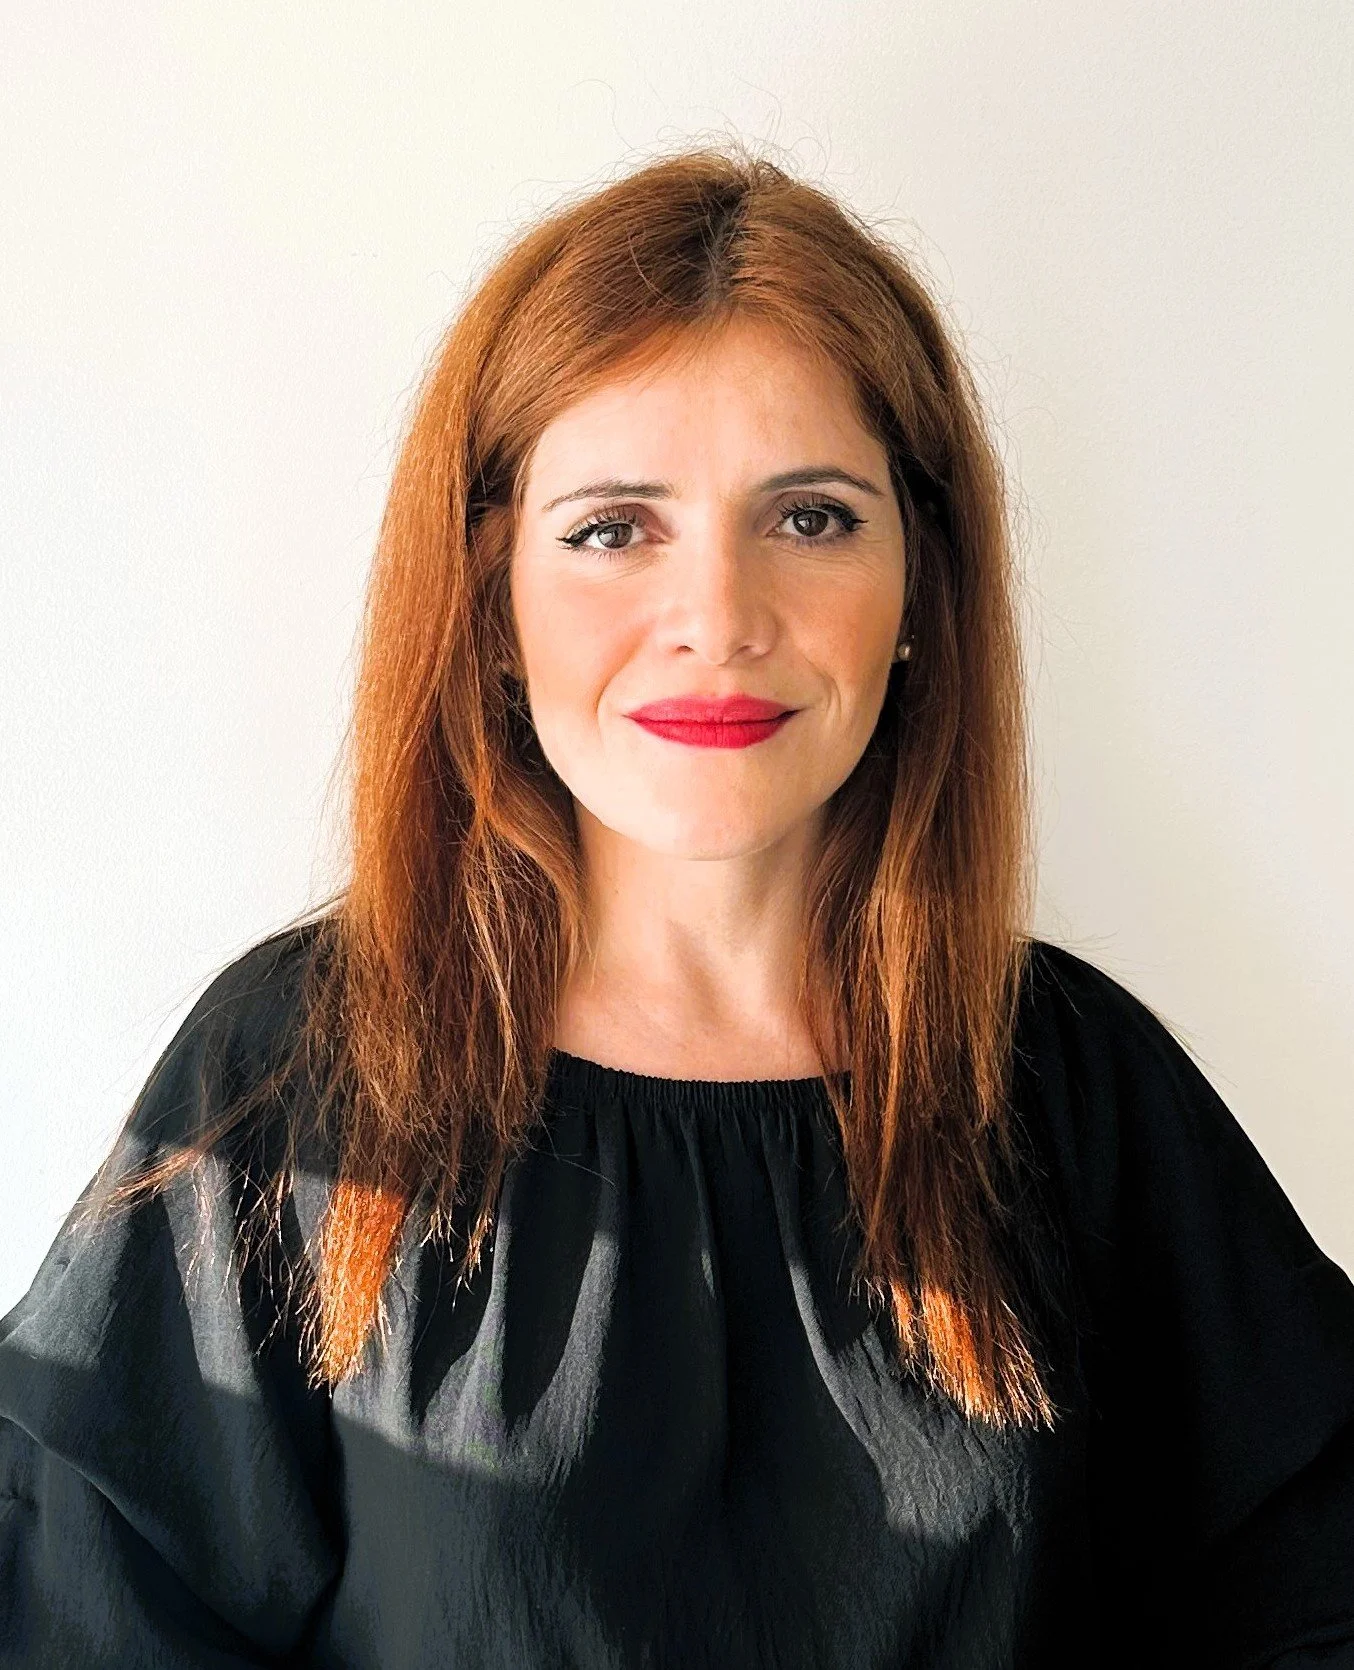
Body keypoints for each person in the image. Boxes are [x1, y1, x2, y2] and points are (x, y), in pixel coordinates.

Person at [2, 144, 1351, 1670]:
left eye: (810, 517)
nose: (716, 616)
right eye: (612, 528)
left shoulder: (1072, 1091)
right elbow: (88, 1618)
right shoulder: (299, 1073)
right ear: (490, 598)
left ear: (920, 584)